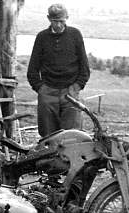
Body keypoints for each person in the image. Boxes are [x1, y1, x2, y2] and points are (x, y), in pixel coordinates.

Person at [27, 3, 90, 137]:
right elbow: (32, 69)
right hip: (48, 93)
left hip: (70, 93)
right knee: (48, 135)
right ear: (49, 19)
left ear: (67, 18)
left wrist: (76, 87)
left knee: (72, 135)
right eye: (55, 21)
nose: (59, 25)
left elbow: (84, 66)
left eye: (62, 21)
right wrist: (41, 89)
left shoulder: (75, 35)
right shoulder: (42, 37)